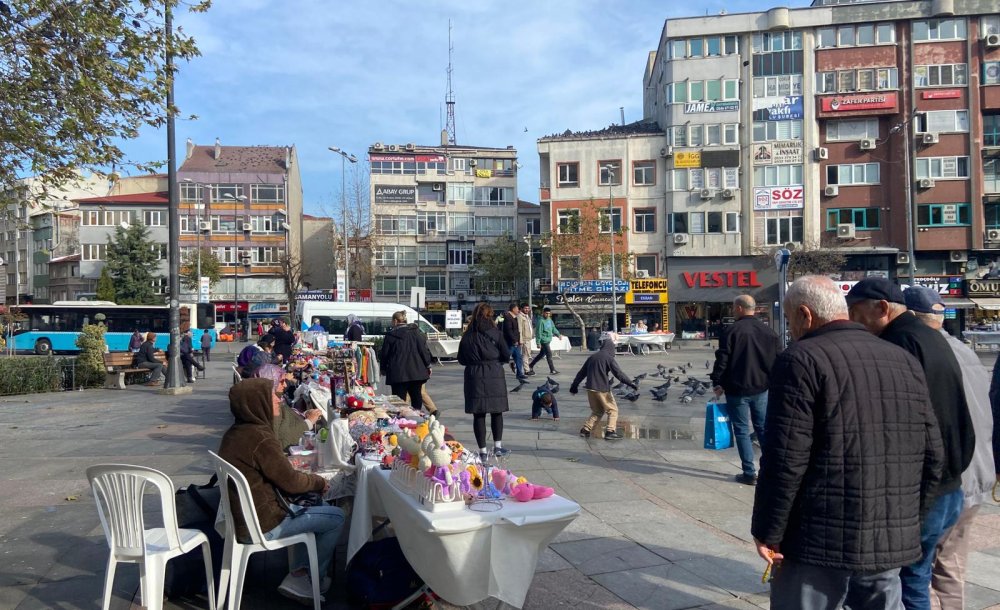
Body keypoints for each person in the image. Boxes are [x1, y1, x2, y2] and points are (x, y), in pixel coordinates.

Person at [753, 276, 944, 608]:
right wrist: (910, 521)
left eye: (789, 319)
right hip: (887, 539)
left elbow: (786, 458)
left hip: (817, 542)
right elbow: (933, 454)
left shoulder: (801, 358)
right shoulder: (903, 360)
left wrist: (768, 531)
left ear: (804, 315)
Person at [847, 277, 975, 610]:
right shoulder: (932, 338)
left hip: (925, 491)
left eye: (856, 312)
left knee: (901, 583)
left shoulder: (898, 343)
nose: (852, 320)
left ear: (882, 308)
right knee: (915, 578)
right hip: (950, 486)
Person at [904, 287, 997, 609]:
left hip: (946, 480)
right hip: (977, 475)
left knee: (918, 572)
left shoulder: (918, 353)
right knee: (952, 567)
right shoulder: (967, 351)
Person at [218, 379, 343, 605]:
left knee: (319, 508)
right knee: (336, 517)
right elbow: (292, 482)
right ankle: (304, 578)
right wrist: (317, 482)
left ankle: (299, 573)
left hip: (246, 519)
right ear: (257, 403)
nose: (279, 400)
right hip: (264, 525)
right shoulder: (261, 438)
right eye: (272, 396)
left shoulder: (235, 433)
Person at [709, 294, 781, 486]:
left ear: (740, 308)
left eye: (734, 307)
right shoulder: (769, 332)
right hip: (761, 388)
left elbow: (722, 359)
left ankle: (749, 472)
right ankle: (771, 470)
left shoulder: (731, 331)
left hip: (737, 388)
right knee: (763, 428)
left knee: (741, 430)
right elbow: (778, 360)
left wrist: (717, 382)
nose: (733, 310)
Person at [458, 302, 511, 460]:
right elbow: (506, 355)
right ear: (490, 315)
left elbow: (461, 358)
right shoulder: (496, 333)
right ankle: (498, 447)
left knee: (478, 414)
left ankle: (482, 451)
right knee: (497, 411)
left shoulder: (468, 335)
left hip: (474, 375)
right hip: (494, 372)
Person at [569, 332, 636, 440]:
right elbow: (618, 373)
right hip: (602, 388)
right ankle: (610, 431)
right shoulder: (608, 358)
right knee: (612, 410)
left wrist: (574, 386)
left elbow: (581, 373)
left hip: (590, 388)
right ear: (611, 347)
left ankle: (586, 429)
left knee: (598, 411)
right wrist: (630, 383)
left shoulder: (592, 357)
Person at [255, 364, 324, 451]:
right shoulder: (270, 406)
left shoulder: (269, 399)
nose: (285, 385)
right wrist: (308, 422)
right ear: (270, 383)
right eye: (281, 382)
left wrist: (304, 414)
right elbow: (280, 442)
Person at [379, 311, 433, 413]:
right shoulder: (416, 333)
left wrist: (383, 368)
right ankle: (417, 419)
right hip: (416, 372)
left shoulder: (390, 336)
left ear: (395, 321)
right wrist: (428, 365)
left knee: (399, 401)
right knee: (416, 397)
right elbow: (424, 351)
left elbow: (384, 354)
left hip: (398, 374)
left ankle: (401, 421)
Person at [528, 307, 562, 375]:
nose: (548, 315)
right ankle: (552, 370)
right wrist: (538, 343)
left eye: (549, 313)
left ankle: (530, 365)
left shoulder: (550, 320)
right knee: (549, 355)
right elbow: (538, 332)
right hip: (543, 341)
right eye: (546, 313)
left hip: (548, 340)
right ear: (543, 313)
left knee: (541, 355)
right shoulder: (541, 321)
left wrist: (558, 334)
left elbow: (553, 328)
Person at [501, 303, 526, 381]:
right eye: (517, 309)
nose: (518, 310)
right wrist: (514, 340)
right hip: (510, 342)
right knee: (505, 357)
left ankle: (519, 374)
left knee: (518, 357)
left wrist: (518, 340)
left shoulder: (514, 317)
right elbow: (509, 331)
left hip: (516, 342)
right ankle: (495, 368)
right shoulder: (508, 318)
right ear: (513, 309)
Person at [518, 303, 535, 369]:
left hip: (529, 338)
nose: (527, 310)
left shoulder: (527, 316)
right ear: (521, 309)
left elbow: (530, 327)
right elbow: (520, 329)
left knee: (527, 354)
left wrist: (532, 335)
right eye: (525, 308)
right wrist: (521, 340)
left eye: (528, 308)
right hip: (524, 339)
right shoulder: (520, 316)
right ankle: (526, 370)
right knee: (526, 355)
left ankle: (515, 365)